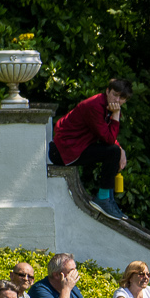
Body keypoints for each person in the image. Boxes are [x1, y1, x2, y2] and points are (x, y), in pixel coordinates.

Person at [48, 77, 130, 218]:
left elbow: (107, 135)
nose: (117, 101)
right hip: (62, 152)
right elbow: (108, 139)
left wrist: (121, 149)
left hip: (75, 148)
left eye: (121, 98)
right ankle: (103, 199)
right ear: (107, 91)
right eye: (115, 95)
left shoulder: (109, 106)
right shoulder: (95, 106)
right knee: (112, 152)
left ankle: (109, 199)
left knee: (114, 151)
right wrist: (116, 115)